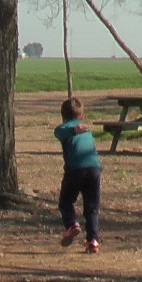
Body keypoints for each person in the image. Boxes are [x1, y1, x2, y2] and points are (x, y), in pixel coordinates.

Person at [56, 98, 103, 253]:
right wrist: (77, 130)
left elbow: (60, 133)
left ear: (62, 115)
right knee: (92, 208)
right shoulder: (86, 129)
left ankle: (71, 224)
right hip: (94, 169)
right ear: (82, 116)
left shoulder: (63, 128)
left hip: (75, 170)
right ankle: (93, 241)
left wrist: (72, 131)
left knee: (65, 202)